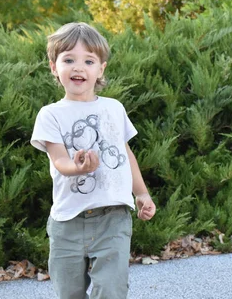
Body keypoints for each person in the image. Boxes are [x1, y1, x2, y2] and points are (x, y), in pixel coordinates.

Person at [31, 22, 156, 299]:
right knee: (69, 293)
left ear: (101, 69)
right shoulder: (50, 114)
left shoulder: (113, 108)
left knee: (111, 289)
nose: (78, 67)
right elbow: (60, 160)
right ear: (54, 67)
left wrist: (142, 193)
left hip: (113, 217)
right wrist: (77, 167)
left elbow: (125, 154)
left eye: (89, 60)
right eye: (69, 60)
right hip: (68, 222)